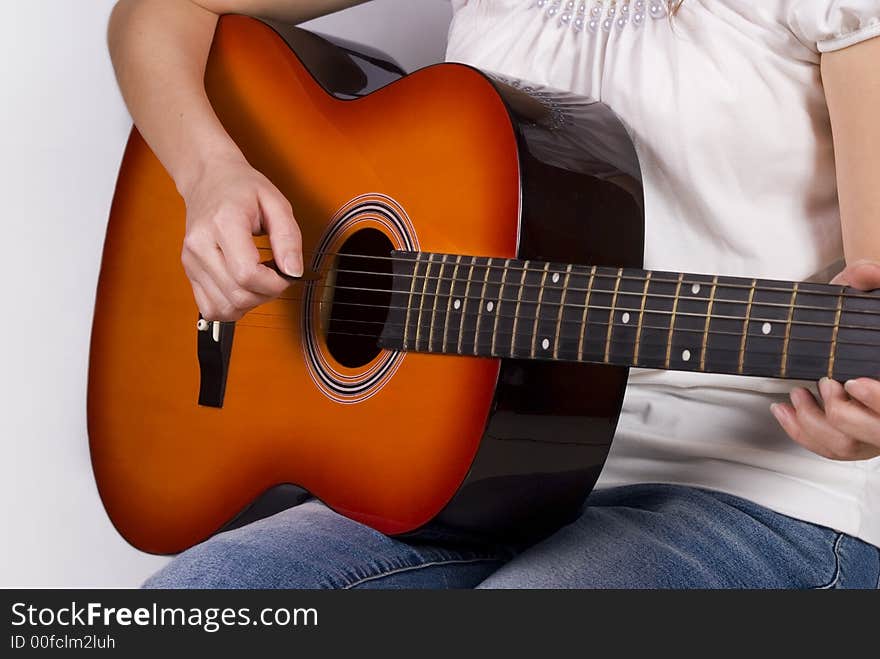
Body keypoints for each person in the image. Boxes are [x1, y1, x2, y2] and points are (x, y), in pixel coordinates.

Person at [107, 0, 880, 589]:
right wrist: (211, 176)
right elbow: (162, 14)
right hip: (471, 471)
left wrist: (870, 416)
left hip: (763, 487)